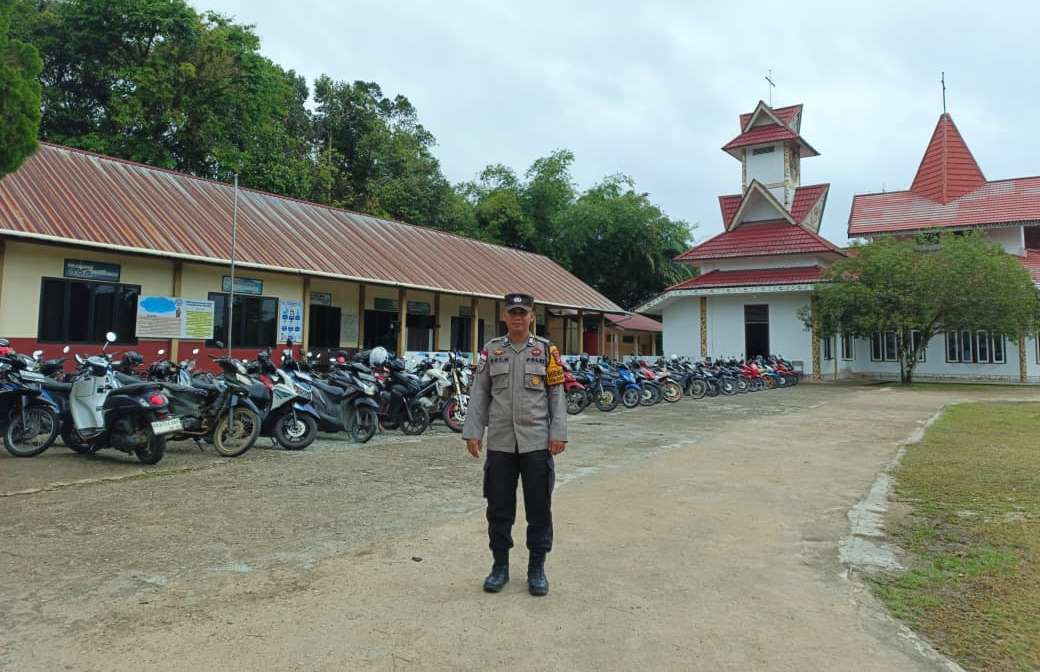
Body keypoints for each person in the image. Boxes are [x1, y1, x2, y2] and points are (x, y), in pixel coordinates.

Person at [462, 293, 567, 596]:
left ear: (532, 316)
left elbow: (556, 394)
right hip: (501, 443)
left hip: (537, 442)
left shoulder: (545, 350)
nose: (518, 317)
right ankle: (500, 566)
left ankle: (537, 568)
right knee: (498, 508)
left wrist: (558, 432)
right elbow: (480, 393)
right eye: (513, 312)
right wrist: (473, 432)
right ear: (504, 316)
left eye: (523, 312)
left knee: (539, 507)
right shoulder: (492, 350)